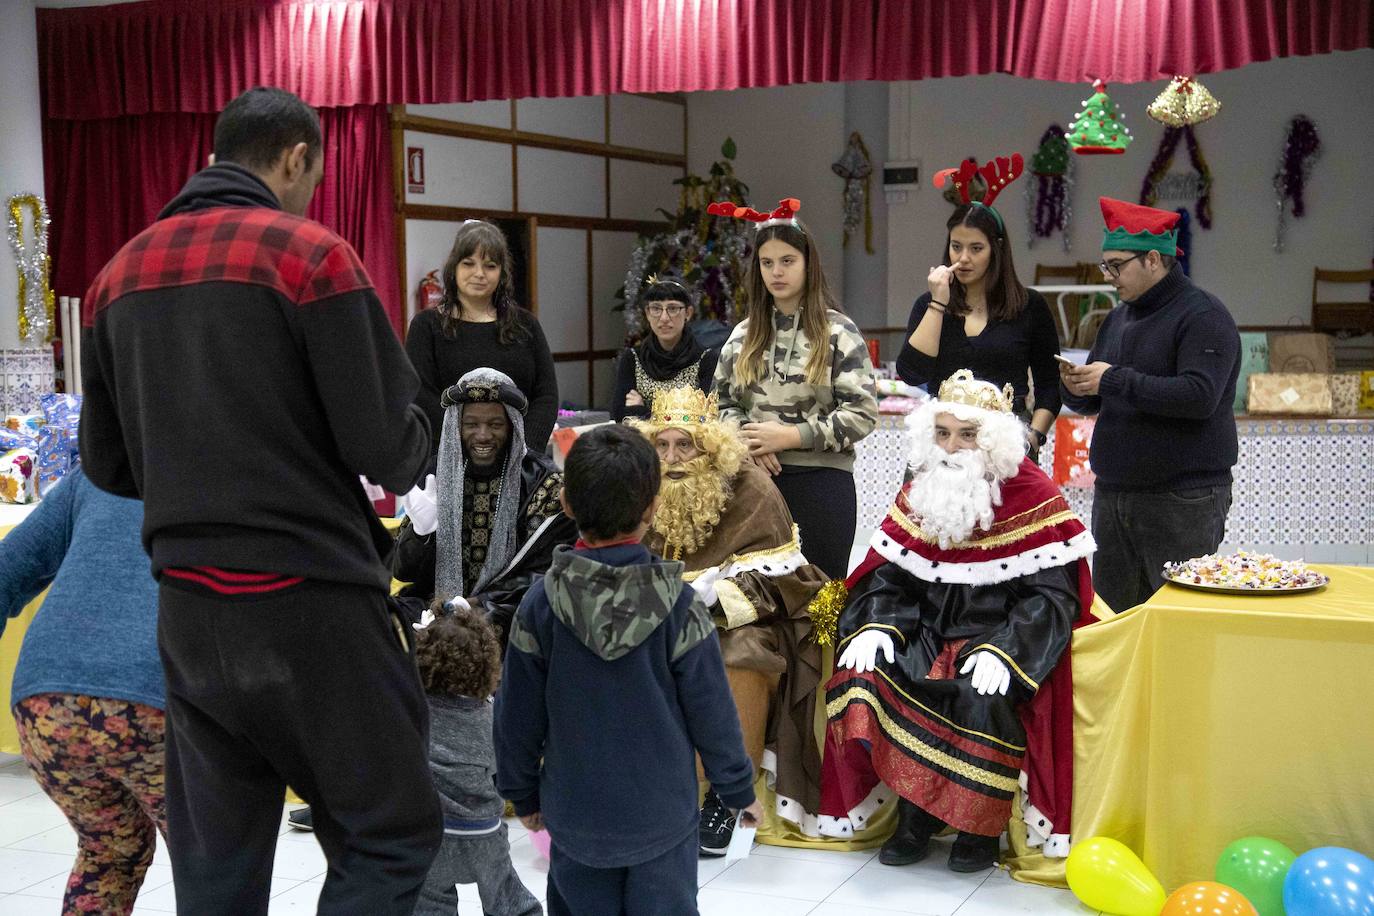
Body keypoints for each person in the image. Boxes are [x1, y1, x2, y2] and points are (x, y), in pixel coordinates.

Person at [78, 86, 441, 914]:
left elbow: (106, 466)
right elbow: (384, 445)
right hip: (309, 602)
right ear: (294, 158)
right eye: (310, 176)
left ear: (213, 158)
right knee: (388, 833)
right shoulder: (309, 257)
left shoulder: (114, 278)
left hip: (188, 613)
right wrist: (419, 418)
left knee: (218, 867)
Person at [819, 370, 1097, 872]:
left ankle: (977, 827)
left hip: (994, 636)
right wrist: (879, 624)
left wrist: (1007, 649)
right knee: (867, 676)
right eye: (943, 433)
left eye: (967, 435)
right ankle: (915, 814)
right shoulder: (921, 490)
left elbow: (1053, 597)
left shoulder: (1033, 493)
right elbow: (889, 577)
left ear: (992, 440)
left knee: (981, 694)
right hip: (923, 632)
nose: (952, 447)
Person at [494, 424, 762, 916]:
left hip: (575, 816)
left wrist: (520, 790)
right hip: (662, 817)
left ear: (568, 505)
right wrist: (737, 790)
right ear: (653, 507)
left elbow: (516, 714)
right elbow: (713, 713)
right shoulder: (681, 607)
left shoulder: (540, 604)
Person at [631, 386, 828, 854]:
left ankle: (725, 792)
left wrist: (714, 596)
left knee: (739, 656)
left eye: (686, 445)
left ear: (711, 446)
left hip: (740, 621)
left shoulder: (751, 488)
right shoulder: (641, 488)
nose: (673, 458)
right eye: (662, 445)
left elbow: (788, 579)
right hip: (654, 613)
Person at [1060, 197, 1240, 613]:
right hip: (1115, 495)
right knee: (1113, 618)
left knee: (1177, 619)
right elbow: (1102, 395)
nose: (1110, 277)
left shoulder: (1204, 315)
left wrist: (1113, 379)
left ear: (1154, 260)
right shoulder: (1120, 317)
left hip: (1182, 499)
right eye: (1106, 266)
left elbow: (1199, 397)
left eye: (1117, 266)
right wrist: (1076, 387)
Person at [1, 467, 165, 915]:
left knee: (109, 853)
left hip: (46, 698)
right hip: (158, 694)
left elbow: (7, 568)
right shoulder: (245, 470)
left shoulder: (97, 472)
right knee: (216, 864)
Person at [709, 198, 878, 580]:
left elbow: (862, 415)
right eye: (767, 263)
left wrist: (788, 436)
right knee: (754, 600)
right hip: (754, 481)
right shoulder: (742, 335)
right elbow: (721, 406)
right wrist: (750, 443)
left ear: (807, 264)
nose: (776, 272)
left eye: (787, 261)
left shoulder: (838, 332)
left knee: (819, 599)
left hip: (822, 484)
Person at [394, 368, 577, 644]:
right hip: (433, 610)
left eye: (495, 424)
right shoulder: (436, 474)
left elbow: (551, 574)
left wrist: (479, 605)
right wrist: (421, 534)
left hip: (502, 613)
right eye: (471, 424)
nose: (482, 435)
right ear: (457, 425)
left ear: (512, 425)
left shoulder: (546, 483)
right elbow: (403, 572)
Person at [896, 154, 1061, 459]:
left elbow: (1050, 386)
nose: (964, 258)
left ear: (996, 250)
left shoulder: (1029, 306)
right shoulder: (930, 304)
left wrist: (1034, 437)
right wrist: (938, 303)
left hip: (1009, 452)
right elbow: (911, 373)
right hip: (943, 450)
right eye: (956, 246)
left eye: (976, 248)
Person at [411, 597, 542, 916]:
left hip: (430, 836)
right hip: (482, 834)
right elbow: (502, 769)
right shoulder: (491, 717)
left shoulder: (414, 713)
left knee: (429, 902)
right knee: (507, 899)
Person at [407, 220, 559, 456]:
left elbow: (546, 395)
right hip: (447, 460)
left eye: (490, 266)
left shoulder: (526, 324)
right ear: (454, 267)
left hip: (520, 461)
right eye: (469, 264)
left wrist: (525, 451)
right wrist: (468, 448)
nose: (479, 274)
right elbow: (421, 395)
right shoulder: (426, 326)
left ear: (501, 272)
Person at [610, 273, 719, 422]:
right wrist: (679, 413)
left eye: (673, 308)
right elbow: (618, 414)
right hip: (641, 444)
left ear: (688, 313)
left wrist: (640, 410)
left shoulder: (706, 359)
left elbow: (704, 417)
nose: (664, 318)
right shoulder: (633, 358)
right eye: (656, 309)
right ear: (647, 313)